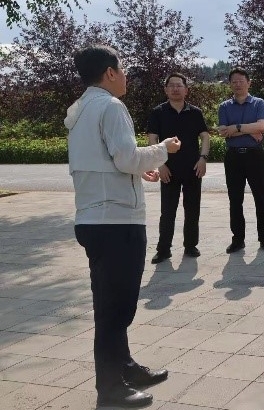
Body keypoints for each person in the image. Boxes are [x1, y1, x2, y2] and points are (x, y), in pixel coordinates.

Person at [65, 45, 177, 408]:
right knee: (115, 309)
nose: (126, 76)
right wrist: (163, 149)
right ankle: (110, 387)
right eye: (123, 69)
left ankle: (124, 366)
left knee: (109, 302)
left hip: (93, 219)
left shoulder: (79, 110)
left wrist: (135, 169)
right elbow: (127, 158)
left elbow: (109, 161)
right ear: (110, 73)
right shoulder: (111, 106)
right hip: (116, 222)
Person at [148, 73, 211, 264]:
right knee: (167, 211)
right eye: (171, 86)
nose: (175, 89)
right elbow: (152, 139)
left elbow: (205, 136)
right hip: (169, 169)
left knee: (192, 209)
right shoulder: (158, 112)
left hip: (193, 168)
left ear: (186, 90)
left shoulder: (195, 112)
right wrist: (160, 165)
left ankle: (190, 245)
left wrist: (203, 159)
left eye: (179, 85)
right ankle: (163, 249)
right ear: (166, 90)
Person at [218, 67, 264, 254]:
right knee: (235, 199)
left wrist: (236, 128)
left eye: (241, 81)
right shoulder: (224, 106)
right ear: (230, 84)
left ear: (249, 83)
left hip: (254, 155)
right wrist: (250, 130)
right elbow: (223, 132)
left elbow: (263, 126)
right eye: (234, 81)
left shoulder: (258, 103)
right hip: (233, 157)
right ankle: (238, 239)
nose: (237, 84)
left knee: (261, 197)